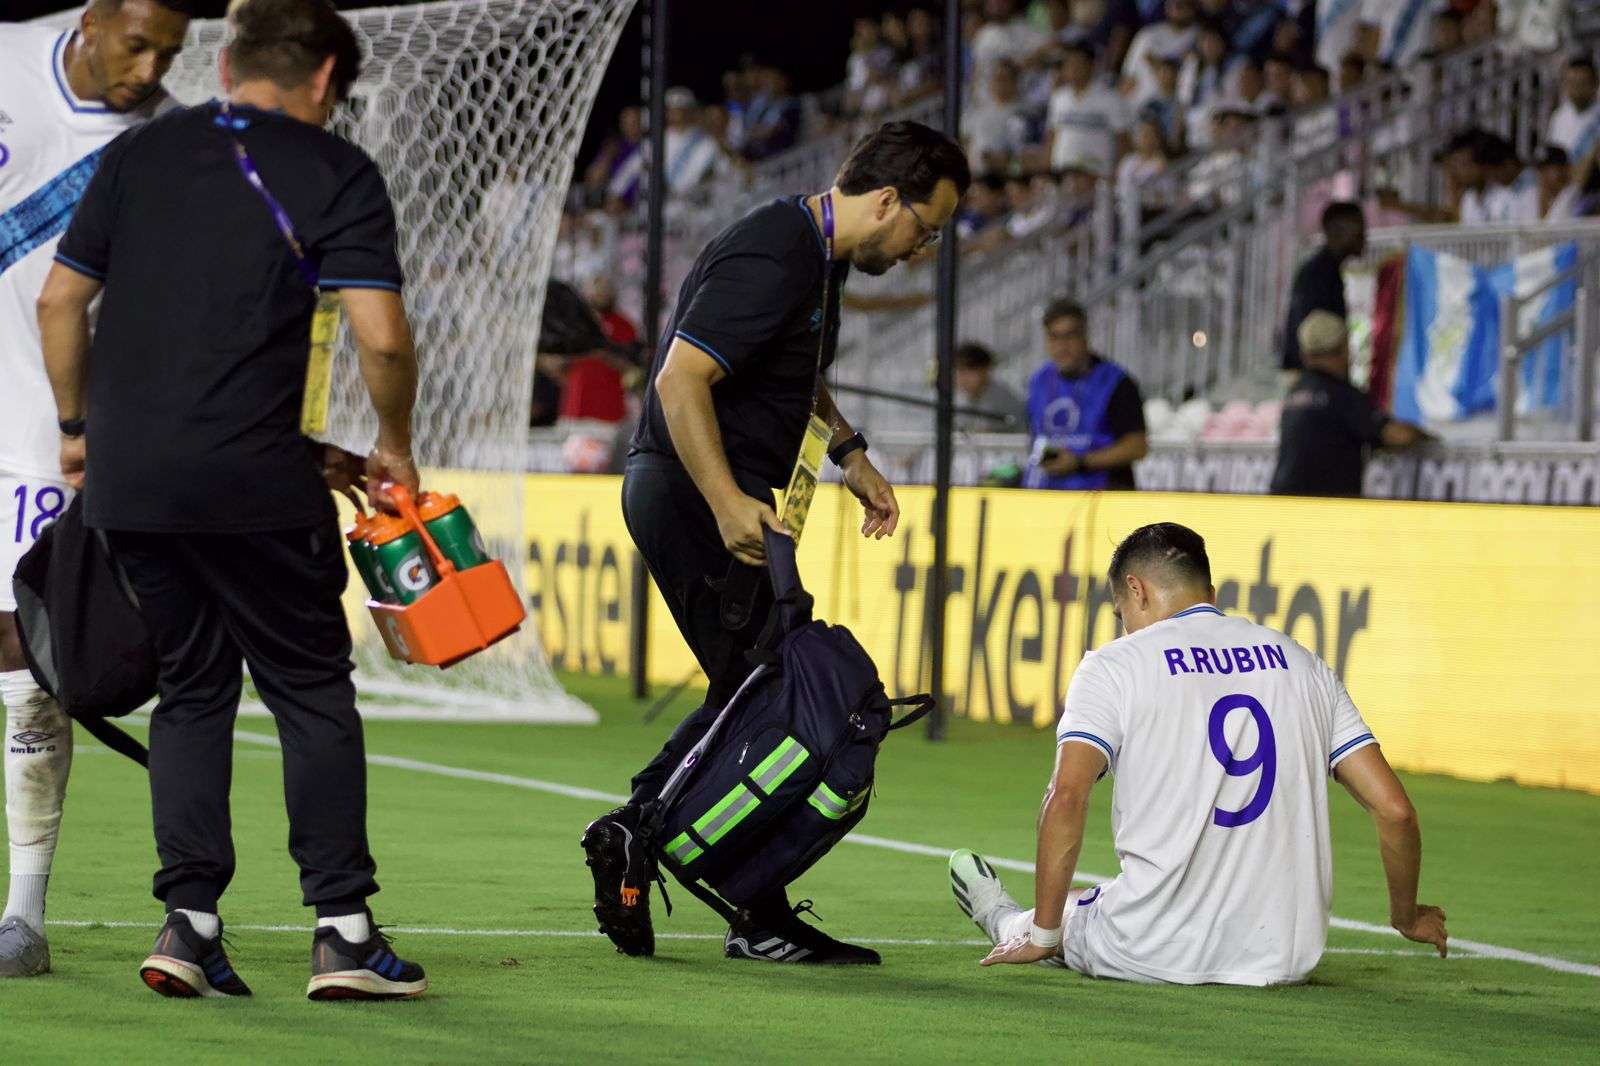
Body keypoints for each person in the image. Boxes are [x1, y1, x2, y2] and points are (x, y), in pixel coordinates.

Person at [35, 0, 428, 1001]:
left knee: (193, 691)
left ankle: (189, 923)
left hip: (133, 485)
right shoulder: (335, 169)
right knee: (307, 687)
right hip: (256, 488)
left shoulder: (137, 156)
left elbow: (60, 302)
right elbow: (381, 338)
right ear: (327, 80)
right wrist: (393, 444)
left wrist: (78, 433)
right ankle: (342, 929)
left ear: (228, 64)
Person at [583, 120, 970, 965]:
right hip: (696, 496)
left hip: (718, 497)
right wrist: (724, 500)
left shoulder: (811, 259)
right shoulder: (776, 249)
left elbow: (792, 369)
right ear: (886, 201)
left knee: (766, 688)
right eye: (925, 228)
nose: (923, 247)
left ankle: (691, 868)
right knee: (775, 693)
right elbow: (681, 377)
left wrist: (849, 449)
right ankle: (660, 850)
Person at [952, 521, 1449, 985]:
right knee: (1091, 898)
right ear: (1210, 595)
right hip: (1284, 957)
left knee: (1064, 917)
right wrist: (1406, 915)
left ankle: (1000, 916)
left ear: (1136, 590)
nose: (1124, 626)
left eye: (1121, 614)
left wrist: (1043, 935)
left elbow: (1066, 798)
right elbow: (1395, 812)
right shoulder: (1303, 663)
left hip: (1149, 949)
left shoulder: (1114, 667)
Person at [0, 0, 192, 981]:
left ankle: (22, 911)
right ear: (97, 14)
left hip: (43, 425)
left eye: (171, 50)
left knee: (26, 654)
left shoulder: (163, 144)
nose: (150, 66)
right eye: (139, 43)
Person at [1270, 311, 1431, 497]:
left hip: (1281, 507)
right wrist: (1427, 437)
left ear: (1305, 354)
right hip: (1326, 512)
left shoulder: (1295, 393)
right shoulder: (1342, 396)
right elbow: (1398, 436)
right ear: (1344, 348)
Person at [1023, 298, 1148, 490]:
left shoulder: (1116, 382)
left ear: (1085, 336)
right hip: (1047, 496)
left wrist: (1081, 463)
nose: (1062, 346)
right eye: (1054, 337)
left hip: (1103, 498)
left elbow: (1137, 447)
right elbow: (1036, 439)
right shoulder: (1038, 382)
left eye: (1069, 336)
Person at [1281, 200, 1364, 371]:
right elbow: (1313, 331)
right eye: (1358, 229)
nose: (1364, 236)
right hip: (1313, 374)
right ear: (1338, 231)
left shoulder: (1326, 270)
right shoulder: (1318, 274)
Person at [1046, 40, 1130, 177]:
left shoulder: (1110, 98)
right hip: (1062, 172)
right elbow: (1052, 135)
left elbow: (1123, 140)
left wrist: (1117, 174)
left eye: (1078, 64)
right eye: (1069, 64)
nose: (1073, 69)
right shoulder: (1059, 98)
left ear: (1091, 66)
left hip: (1097, 173)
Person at [954, 342, 1030, 432]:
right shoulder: (956, 398)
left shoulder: (1003, 400)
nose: (962, 377)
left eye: (968, 370)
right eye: (958, 370)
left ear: (985, 370)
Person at [1546, 57, 1600, 163]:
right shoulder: (1559, 116)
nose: (1577, 89)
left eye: (1582, 83)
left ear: (1595, 83)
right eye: (1572, 82)